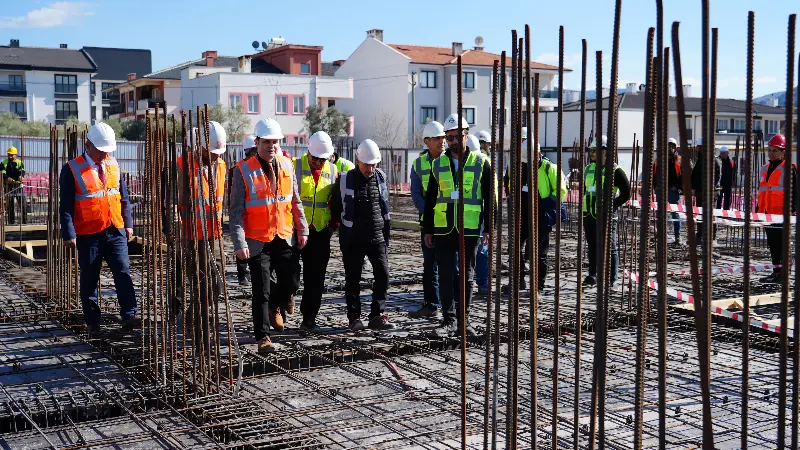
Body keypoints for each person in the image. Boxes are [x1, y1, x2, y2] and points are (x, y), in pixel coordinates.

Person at [230, 118, 307, 354]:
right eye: (266, 142)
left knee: (292, 281)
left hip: (283, 235)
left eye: (275, 142)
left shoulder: (287, 164)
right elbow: (235, 211)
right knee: (260, 290)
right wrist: (239, 242)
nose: (271, 146)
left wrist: (302, 227)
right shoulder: (243, 170)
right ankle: (263, 336)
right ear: (257, 142)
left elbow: (294, 200)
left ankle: (277, 304)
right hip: (257, 240)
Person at [60, 123, 138, 335]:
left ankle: (129, 316)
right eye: (101, 151)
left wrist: (128, 224)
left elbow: (124, 197)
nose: (104, 155)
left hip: (115, 229)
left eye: (107, 151)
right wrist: (69, 233)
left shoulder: (113, 164)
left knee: (123, 272)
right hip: (88, 234)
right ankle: (93, 322)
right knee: (89, 278)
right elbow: (65, 206)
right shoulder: (71, 169)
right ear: (88, 145)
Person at [423, 114, 493, 338]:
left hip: (469, 228)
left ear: (466, 135)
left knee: (467, 275)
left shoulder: (481, 163)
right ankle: (449, 320)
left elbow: (490, 199)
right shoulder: (439, 163)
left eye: (456, 136)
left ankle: (465, 321)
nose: (452, 141)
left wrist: (489, 228)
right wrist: (427, 229)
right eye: (449, 137)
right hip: (444, 228)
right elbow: (431, 199)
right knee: (445, 274)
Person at [173, 121, 228, 352]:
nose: (215, 157)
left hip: (213, 235)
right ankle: (201, 338)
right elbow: (171, 207)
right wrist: (179, 240)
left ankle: (191, 316)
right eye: (211, 153)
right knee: (201, 286)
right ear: (199, 148)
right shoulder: (181, 166)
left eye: (218, 153)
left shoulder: (221, 165)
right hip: (190, 236)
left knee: (215, 285)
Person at [330, 139, 394, 331]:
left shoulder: (381, 177)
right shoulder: (344, 179)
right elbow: (335, 207)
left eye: (374, 164)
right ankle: (354, 317)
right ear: (358, 160)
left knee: (383, 275)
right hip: (353, 239)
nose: (371, 168)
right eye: (367, 164)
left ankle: (377, 315)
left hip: (377, 237)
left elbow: (384, 206)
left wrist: (386, 233)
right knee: (353, 280)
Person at [295, 131, 339, 333]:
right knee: (290, 277)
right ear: (308, 153)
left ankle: (309, 318)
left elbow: (335, 200)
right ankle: (283, 299)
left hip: (320, 232)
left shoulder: (333, 169)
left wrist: (332, 225)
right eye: (315, 159)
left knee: (316, 278)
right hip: (295, 232)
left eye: (323, 159)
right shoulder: (295, 167)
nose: (319, 163)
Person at [582, 136, 631, 287]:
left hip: (607, 215)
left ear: (605, 152)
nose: (593, 155)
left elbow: (626, 193)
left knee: (610, 247)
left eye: (596, 151)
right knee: (592, 246)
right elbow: (586, 190)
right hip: (589, 214)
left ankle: (613, 278)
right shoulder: (588, 168)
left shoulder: (616, 171)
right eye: (592, 152)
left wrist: (612, 205)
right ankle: (593, 275)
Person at [409, 121, 445, 318]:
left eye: (443, 138)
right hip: (429, 224)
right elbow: (416, 195)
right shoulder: (419, 164)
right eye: (437, 138)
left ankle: (452, 304)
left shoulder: (451, 161)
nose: (442, 141)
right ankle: (431, 304)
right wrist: (430, 216)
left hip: (450, 222)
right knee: (430, 265)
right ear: (426, 141)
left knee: (450, 264)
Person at [757, 134, 797, 284]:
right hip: (767, 214)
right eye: (770, 150)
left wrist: (792, 210)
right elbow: (762, 191)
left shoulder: (789, 168)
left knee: (781, 245)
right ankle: (777, 273)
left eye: (775, 150)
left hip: (781, 214)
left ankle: (783, 273)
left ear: (783, 152)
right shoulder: (764, 169)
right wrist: (758, 210)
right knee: (773, 245)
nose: (771, 153)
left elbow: (795, 191)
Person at [235, 134, 257, 286]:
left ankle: (252, 272)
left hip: (256, 214)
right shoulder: (239, 168)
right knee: (242, 243)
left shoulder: (261, 167)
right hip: (243, 212)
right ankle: (243, 274)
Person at [473, 130, 493, 295]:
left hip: (474, 213)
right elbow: (491, 193)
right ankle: (483, 284)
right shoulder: (484, 161)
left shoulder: (470, 159)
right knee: (482, 251)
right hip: (483, 212)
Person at [691, 137, 721, 245]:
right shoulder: (699, 161)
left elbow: (717, 176)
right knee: (699, 215)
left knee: (711, 214)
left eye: (701, 148)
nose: (699, 150)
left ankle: (712, 237)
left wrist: (708, 188)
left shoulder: (715, 161)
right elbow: (695, 176)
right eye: (699, 148)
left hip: (711, 193)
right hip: (700, 192)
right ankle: (699, 235)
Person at [653, 137, 683, 244]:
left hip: (673, 190)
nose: (670, 148)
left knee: (675, 213)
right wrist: (655, 187)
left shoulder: (679, 159)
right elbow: (654, 174)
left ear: (675, 147)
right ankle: (661, 234)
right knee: (660, 213)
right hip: (661, 189)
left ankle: (677, 235)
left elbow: (683, 176)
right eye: (668, 146)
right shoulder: (659, 159)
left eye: (672, 146)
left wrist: (678, 187)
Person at [2, 146, 25, 225]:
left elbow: (22, 171)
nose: (10, 156)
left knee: (23, 205)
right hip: (9, 187)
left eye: (12, 155)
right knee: (10, 206)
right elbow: (2, 173)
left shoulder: (19, 162)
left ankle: (24, 222)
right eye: (9, 155)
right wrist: (7, 178)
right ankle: (11, 223)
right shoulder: (3, 163)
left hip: (18, 186)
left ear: (16, 155)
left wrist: (21, 176)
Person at [717, 146, 735, 210]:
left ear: (727, 153)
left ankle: (726, 212)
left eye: (724, 153)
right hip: (719, 184)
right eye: (721, 153)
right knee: (718, 198)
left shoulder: (731, 162)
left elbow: (734, 172)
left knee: (727, 199)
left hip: (728, 184)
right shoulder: (717, 161)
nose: (723, 154)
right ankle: (717, 212)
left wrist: (733, 180)